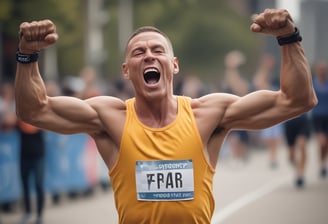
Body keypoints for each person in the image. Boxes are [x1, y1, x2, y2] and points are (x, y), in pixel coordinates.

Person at [15, 9, 317, 224]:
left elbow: (297, 100)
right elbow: (35, 109)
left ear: (173, 65)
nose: (148, 55)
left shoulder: (208, 114)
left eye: (157, 50)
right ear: (126, 71)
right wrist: (27, 54)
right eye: (138, 52)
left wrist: (289, 38)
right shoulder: (109, 118)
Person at [253, 54, 283, 169]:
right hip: (267, 113)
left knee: (275, 138)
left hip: (276, 113)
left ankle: (273, 158)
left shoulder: (276, 82)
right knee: (269, 138)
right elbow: (258, 81)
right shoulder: (263, 85)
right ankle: (272, 157)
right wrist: (265, 68)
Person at [17, 120, 46, 224]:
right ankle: (28, 213)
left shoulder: (39, 116)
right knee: (25, 186)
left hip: (38, 155)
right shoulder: (21, 115)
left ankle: (39, 215)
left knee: (39, 185)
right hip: (24, 155)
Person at [283, 113, 311, 188]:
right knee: (291, 156)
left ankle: (301, 174)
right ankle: (298, 171)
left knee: (301, 145)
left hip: (302, 121)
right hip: (288, 122)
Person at [311, 60, 328, 178]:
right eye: (321, 69)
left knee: (326, 144)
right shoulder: (313, 83)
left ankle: (322, 163)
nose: (323, 71)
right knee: (321, 142)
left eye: (324, 69)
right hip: (316, 117)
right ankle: (321, 164)